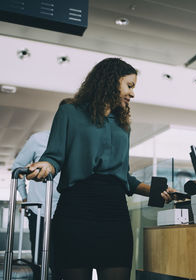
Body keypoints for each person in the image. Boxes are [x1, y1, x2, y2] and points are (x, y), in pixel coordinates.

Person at [25, 58, 175, 280]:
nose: (132, 94)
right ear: (111, 81)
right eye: (129, 86)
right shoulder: (70, 112)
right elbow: (54, 156)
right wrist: (45, 166)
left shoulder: (123, 123)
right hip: (76, 211)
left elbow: (124, 178)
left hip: (115, 214)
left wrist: (154, 191)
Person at [12, 130, 60, 269]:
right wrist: (25, 197)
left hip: (65, 211)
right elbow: (17, 167)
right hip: (39, 211)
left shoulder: (77, 140)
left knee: (62, 263)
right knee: (39, 262)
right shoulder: (38, 139)